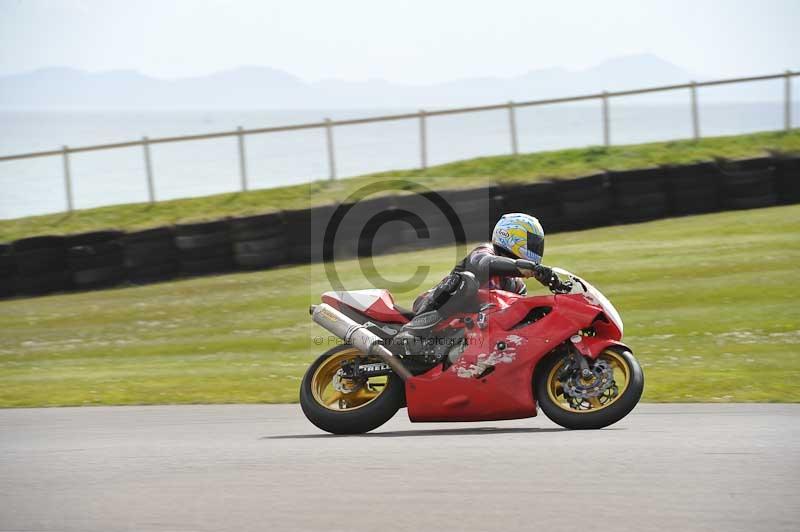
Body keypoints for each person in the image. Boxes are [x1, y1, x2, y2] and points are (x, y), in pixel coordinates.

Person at [397, 213, 571, 344]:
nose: (537, 249)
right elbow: (484, 263)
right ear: (511, 236)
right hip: (433, 308)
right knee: (467, 281)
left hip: (469, 333)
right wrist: (530, 268)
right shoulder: (485, 251)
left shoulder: (517, 286)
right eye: (533, 243)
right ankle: (413, 331)